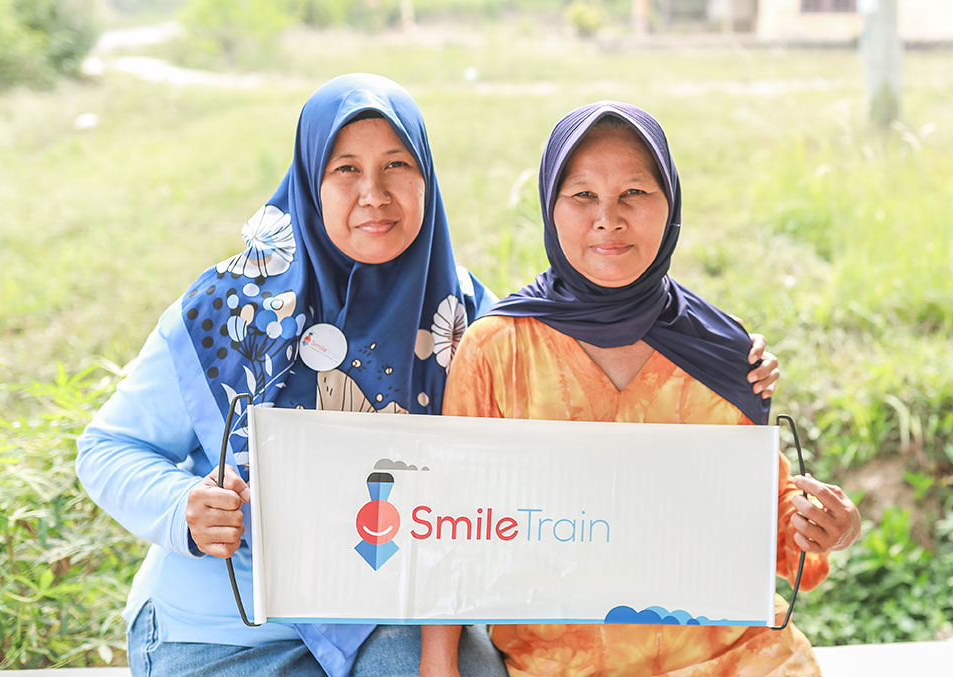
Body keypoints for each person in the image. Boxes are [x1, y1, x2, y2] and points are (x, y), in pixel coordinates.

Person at [76, 75, 781, 677]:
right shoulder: (226, 312)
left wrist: (720, 355)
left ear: (428, 180)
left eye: (397, 167)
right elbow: (105, 448)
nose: (373, 194)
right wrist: (185, 509)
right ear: (309, 179)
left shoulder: (461, 312)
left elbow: (572, 381)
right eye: (345, 169)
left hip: (377, 609)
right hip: (225, 629)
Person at [433, 102, 861, 676]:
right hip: (564, 663)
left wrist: (825, 524)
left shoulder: (721, 351)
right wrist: (438, 666)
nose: (608, 218)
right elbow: (451, 522)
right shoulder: (497, 350)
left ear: (671, 205)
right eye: (582, 196)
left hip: (736, 655)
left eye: (634, 192)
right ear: (549, 207)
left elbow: (768, 514)